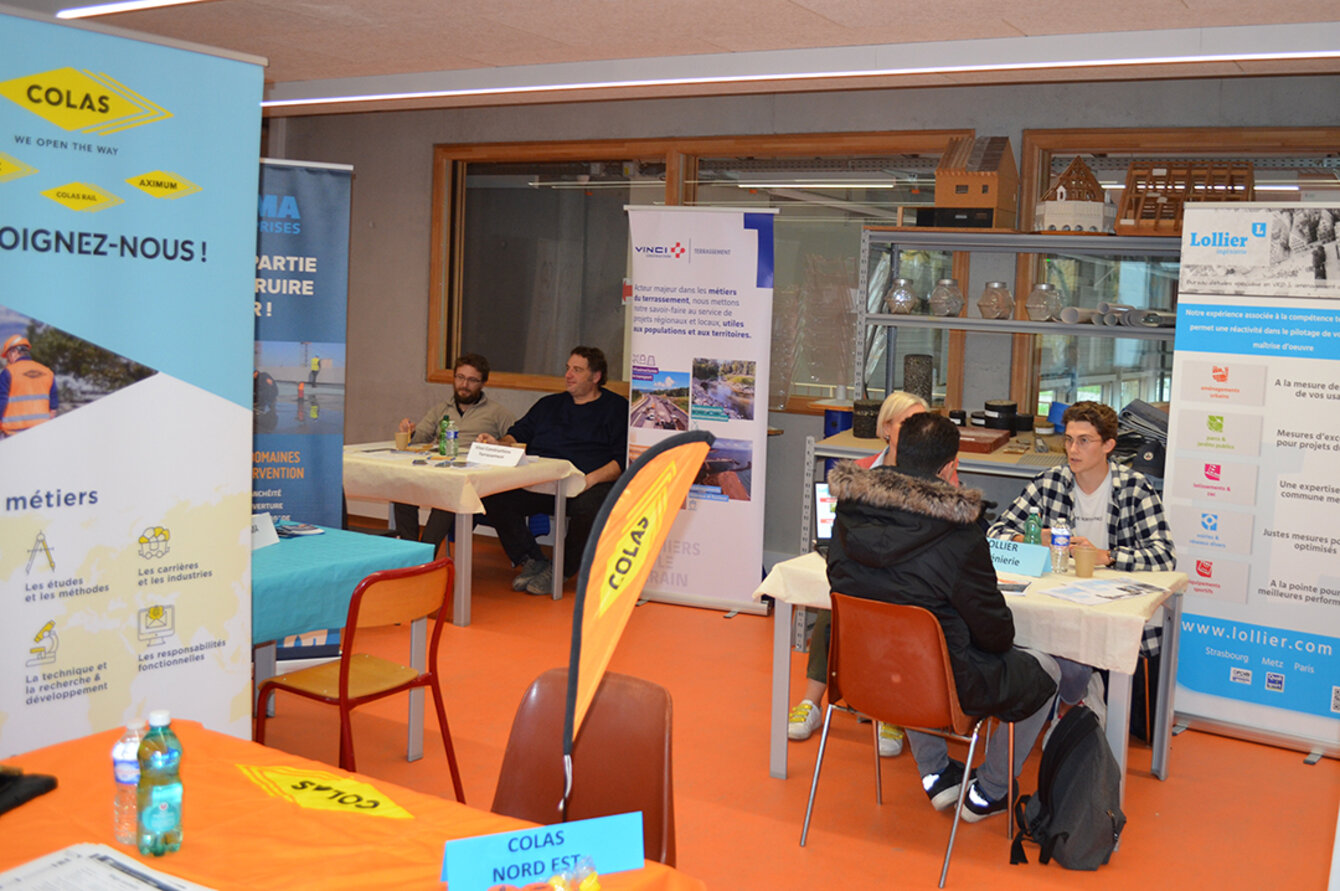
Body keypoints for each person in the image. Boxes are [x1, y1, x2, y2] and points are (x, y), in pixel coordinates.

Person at [826, 413, 1060, 821]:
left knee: (909, 648)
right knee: (1047, 671)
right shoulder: (959, 532)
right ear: (951, 466)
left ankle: (936, 775)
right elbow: (995, 634)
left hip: (864, 674)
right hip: (938, 684)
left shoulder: (849, 511)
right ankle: (989, 792)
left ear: (897, 453)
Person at [986, 401, 1176, 726]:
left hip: (1110, 605)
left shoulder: (1135, 488)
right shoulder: (1049, 483)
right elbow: (995, 533)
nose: (1073, 450)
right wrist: (1032, 537)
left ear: (1109, 445)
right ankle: (1073, 700)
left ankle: (1078, 700)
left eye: (1084, 441)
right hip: (1058, 605)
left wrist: (1108, 556)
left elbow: (1164, 555)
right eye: (1069, 440)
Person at [788, 390, 929, 757]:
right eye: (907, 423)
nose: (916, 431)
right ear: (887, 428)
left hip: (908, 574)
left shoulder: (937, 473)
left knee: (899, 609)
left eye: (922, 424)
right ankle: (811, 701)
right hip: (864, 561)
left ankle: (891, 712)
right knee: (836, 602)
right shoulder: (860, 469)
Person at [478, 347, 628, 595]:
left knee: (588, 509)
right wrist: (499, 443)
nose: (568, 375)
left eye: (577, 370)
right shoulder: (548, 405)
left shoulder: (616, 408)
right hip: (542, 482)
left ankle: (560, 570)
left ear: (596, 376)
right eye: (568, 368)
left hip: (587, 484)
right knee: (493, 495)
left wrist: (589, 480)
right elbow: (518, 434)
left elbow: (622, 460)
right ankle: (531, 559)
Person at [392, 353, 515, 548]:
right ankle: (410, 551)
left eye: (472, 380)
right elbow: (421, 436)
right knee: (403, 490)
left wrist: (497, 444)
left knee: (449, 495)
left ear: (483, 383)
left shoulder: (497, 413)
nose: (464, 385)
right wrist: (409, 432)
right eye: (460, 377)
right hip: (439, 471)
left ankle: (426, 553)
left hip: (471, 481)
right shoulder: (441, 409)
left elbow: (516, 442)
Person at [0, 335, 58, 437]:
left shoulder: (8, 372)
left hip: (13, 433)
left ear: (14, 352)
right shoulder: (47, 372)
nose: (8, 361)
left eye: (8, 357)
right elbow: (53, 408)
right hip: (40, 432)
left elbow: (1, 401)